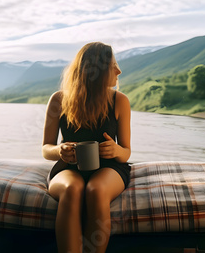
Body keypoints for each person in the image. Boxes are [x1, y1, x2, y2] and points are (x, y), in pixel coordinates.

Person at [42, 42, 131, 253]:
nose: (119, 71)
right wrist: (60, 150)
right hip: (68, 168)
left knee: (96, 189)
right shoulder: (59, 99)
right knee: (72, 189)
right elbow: (46, 148)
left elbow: (126, 151)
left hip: (109, 168)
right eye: (113, 66)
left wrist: (116, 151)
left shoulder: (120, 101)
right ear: (97, 70)